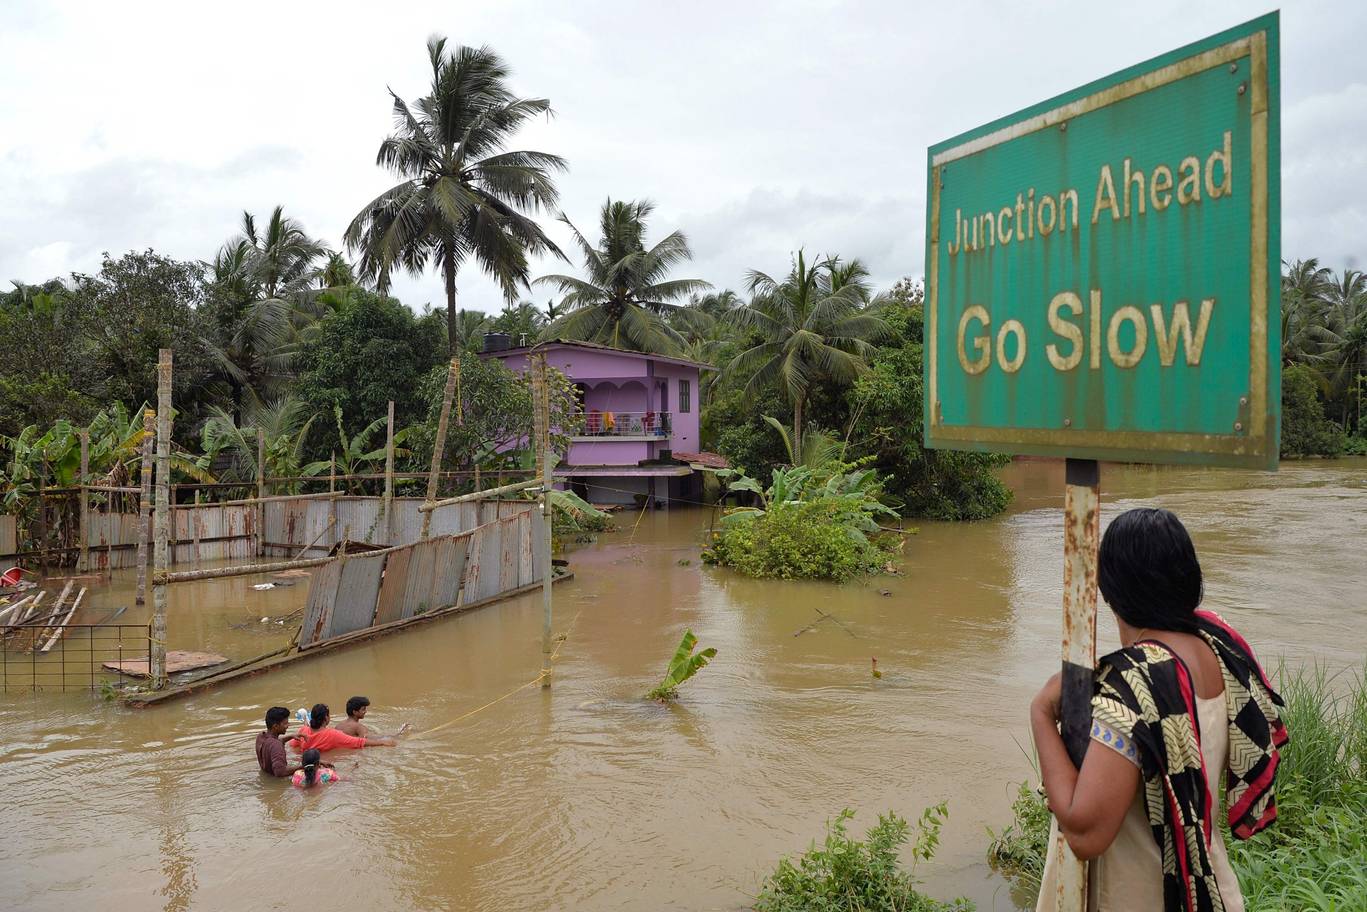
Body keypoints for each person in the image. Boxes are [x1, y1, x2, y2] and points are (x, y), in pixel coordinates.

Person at [1033, 508, 1288, 912]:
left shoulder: (1132, 684)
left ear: (1111, 590)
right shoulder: (1218, 647)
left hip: (1144, 895)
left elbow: (1085, 833)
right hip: (1208, 885)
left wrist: (1042, 714)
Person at [292, 703, 397, 753]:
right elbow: (359, 742)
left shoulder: (303, 731)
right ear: (326, 718)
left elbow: (293, 746)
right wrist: (383, 742)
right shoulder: (332, 734)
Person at [255, 706, 302, 778]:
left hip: (266, 776)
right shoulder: (276, 745)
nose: (288, 725)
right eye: (285, 723)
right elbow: (280, 772)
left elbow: (273, 742)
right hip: (277, 783)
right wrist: (303, 766)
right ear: (276, 726)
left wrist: (291, 736)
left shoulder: (261, 736)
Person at [334, 695, 411, 739]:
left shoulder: (339, 725)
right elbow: (374, 739)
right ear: (355, 712)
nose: (366, 711)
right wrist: (399, 732)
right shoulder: (358, 727)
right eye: (363, 709)